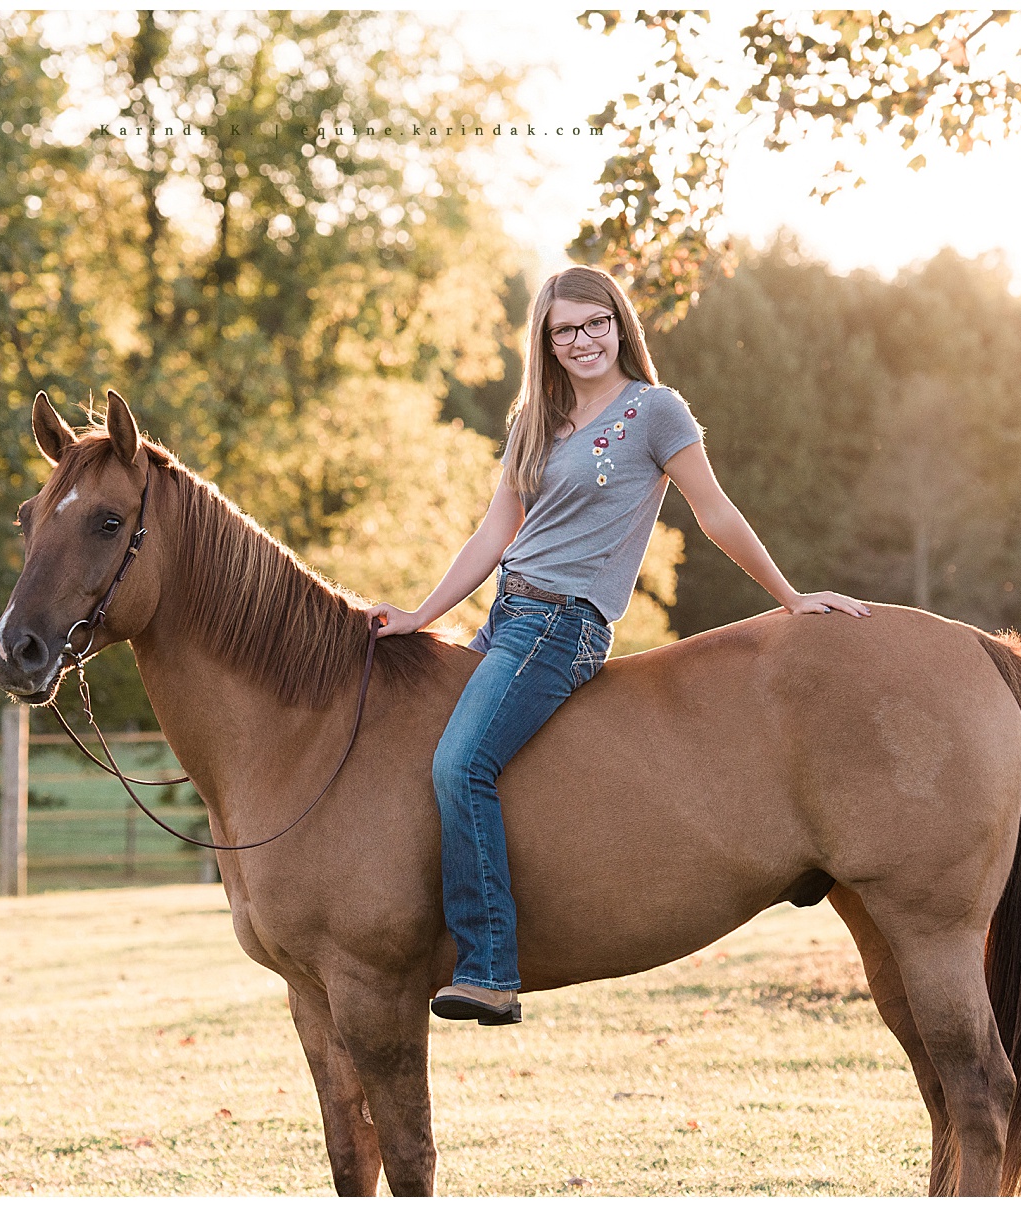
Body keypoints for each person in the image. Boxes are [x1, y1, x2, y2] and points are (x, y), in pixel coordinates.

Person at [367, 265, 870, 1026]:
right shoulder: (535, 418)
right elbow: (493, 534)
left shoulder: (655, 412)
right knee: (430, 759)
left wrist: (792, 596)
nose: (582, 340)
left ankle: (492, 965)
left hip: (562, 625)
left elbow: (715, 512)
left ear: (619, 324)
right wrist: (422, 613)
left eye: (594, 323)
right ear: (546, 340)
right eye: (564, 330)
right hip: (506, 616)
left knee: (460, 761)